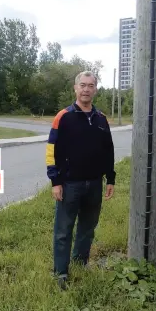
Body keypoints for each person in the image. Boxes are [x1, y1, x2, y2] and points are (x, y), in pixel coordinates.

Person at [46, 70, 116, 290]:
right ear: (75, 88)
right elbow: (51, 151)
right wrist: (55, 181)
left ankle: (80, 262)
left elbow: (109, 151)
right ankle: (61, 273)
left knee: (88, 227)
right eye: (82, 85)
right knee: (63, 230)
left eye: (91, 85)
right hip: (69, 185)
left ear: (96, 89)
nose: (86, 89)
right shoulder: (63, 117)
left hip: (94, 184)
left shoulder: (101, 118)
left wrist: (110, 178)